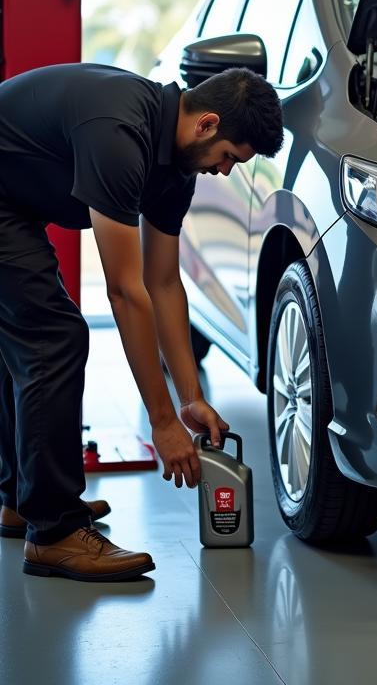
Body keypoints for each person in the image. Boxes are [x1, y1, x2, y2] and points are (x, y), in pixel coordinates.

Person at [0, 63, 283, 581]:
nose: (224, 171)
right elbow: (126, 292)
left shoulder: (175, 168)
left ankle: (25, 499)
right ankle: (54, 534)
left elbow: (164, 283)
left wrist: (189, 397)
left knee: (34, 332)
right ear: (207, 124)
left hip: (14, 197)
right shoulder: (120, 134)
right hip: (5, 198)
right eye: (228, 158)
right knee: (53, 337)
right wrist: (161, 422)